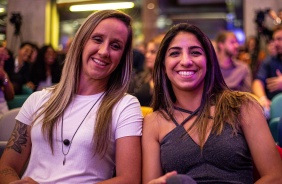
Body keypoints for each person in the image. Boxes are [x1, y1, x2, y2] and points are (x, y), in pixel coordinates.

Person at [0, 10, 142, 183]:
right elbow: (6, 167)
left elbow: (129, 179)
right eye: (97, 39)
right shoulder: (38, 99)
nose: (104, 51)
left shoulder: (125, 106)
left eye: (116, 46)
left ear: (122, 57)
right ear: (81, 43)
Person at [142, 23, 282, 184]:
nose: (186, 61)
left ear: (209, 62)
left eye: (195, 52)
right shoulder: (153, 122)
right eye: (175, 53)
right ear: (163, 66)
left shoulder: (243, 105)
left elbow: (275, 177)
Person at [253, 26, 282, 114]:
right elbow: (257, 82)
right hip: (272, 107)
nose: (275, 43)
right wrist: (263, 99)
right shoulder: (270, 60)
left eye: (280, 39)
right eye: (274, 39)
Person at [128, 34, 164, 106]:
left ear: (162, 54)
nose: (147, 55)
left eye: (152, 52)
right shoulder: (140, 78)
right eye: (146, 52)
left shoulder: (171, 82)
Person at [0, 47, 15, 116]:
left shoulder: (3, 74)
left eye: (3, 60)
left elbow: (10, 96)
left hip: (4, 113)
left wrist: (4, 77)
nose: (2, 63)